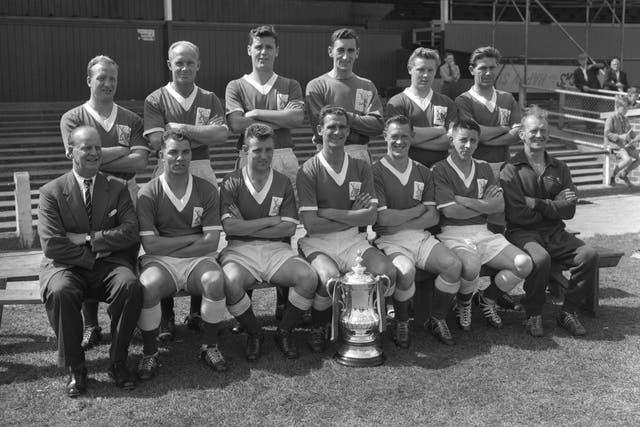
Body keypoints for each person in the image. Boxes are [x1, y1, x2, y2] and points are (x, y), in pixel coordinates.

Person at [135, 130, 261, 378]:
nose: (180, 158)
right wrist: (194, 238)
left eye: (185, 152)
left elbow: (211, 241)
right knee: (147, 286)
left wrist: (169, 241)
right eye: (173, 152)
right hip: (161, 262)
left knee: (214, 280)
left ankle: (210, 346)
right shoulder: (148, 192)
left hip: (197, 260)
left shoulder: (206, 188)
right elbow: (151, 247)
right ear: (161, 155)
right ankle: (150, 353)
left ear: (192, 154)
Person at [38, 126, 142, 397]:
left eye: (98, 147)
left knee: (130, 285)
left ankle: (118, 361)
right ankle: (77, 368)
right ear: (69, 151)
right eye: (86, 147)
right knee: (61, 291)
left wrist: (88, 239)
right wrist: (92, 251)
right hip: (67, 266)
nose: (94, 153)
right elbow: (52, 244)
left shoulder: (117, 188)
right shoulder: (51, 192)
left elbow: (131, 231)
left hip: (109, 265)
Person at [60, 55, 150, 352]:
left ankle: (121, 317)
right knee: (88, 254)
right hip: (87, 193)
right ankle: (90, 325)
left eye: (112, 78)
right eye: (101, 78)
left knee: (123, 252)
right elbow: (76, 157)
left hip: (124, 192)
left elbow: (139, 160)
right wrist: (118, 151)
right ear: (89, 80)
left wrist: (96, 155)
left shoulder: (131, 118)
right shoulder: (73, 118)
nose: (108, 83)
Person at [144, 41, 229, 339]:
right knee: (167, 229)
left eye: (190, 62)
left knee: (199, 230)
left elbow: (221, 133)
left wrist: (179, 128)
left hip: (202, 167)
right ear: (169, 64)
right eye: (179, 62)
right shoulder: (155, 98)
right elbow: (157, 142)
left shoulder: (209, 97)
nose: (184, 68)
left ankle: (196, 310)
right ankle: (166, 316)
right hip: (167, 168)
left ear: (198, 65)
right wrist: (196, 135)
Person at [297, 106, 396, 352]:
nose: (337, 131)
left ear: (349, 130)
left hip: (354, 240)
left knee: (386, 271)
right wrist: (353, 214)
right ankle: (319, 327)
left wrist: (329, 212)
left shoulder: (361, 166)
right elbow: (311, 224)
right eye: (331, 126)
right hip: (319, 241)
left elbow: (371, 215)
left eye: (342, 127)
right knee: (328, 279)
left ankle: (369, 323)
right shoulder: (308, 169)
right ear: (320, 130)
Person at [219, 124, 317, 359]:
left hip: (277, 249)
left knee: (309, 278)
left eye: (268, 150)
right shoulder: (231, 181)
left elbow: (290, 227)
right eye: (257, 150)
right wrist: (270, 221)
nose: (264, 156)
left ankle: (284, 331)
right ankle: (255, 332)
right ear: (245, 150)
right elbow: (230, 226)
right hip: (239, 250)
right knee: (230, 282)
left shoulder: (283, 182)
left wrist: (249, 226)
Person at [500, 106, 599, 337]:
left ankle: (569, 311)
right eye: (533, 130)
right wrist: (554, 204)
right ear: (522, 134)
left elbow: (569, 210)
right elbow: (516, 215)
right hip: (522, 233)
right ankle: (533, 314)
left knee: (589, 255)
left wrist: (537, 203)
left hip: (555, 232)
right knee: (540, 259)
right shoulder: (510, 170)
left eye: (543, 130)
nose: (539, 135)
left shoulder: (560, 168)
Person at [432, 118, 532, 331]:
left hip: (483, 231)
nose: (468, 146)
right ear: (451, 139)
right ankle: (465, 303)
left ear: (478, 143)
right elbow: (450, 211)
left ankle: (487, 299)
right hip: (452, 233)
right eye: (463, 140)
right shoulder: (439, 169)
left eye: (473, 141)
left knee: (524, 263)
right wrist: (484, 204)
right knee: (471, 266)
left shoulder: (484, 168)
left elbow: (498, 206)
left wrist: (464, 200)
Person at [372, 115, 463, 346]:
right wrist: (417, 210)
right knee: (406, 271)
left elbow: (432, 215)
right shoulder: (375, 171)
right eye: (394, 136)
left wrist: (401, 221)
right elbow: (382, 218)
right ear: (385, 137)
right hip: (389, 241)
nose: (400, 141)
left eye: (404, 136)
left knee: (453, 265)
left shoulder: (423, 171)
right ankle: (402, 321)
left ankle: (437, 318)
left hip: (420, 237)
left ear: (412, 137)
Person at [225, 25, 304, 194]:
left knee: (288, 215)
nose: (263, 52)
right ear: (249, 50)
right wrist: (282, 119)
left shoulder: (291, 85)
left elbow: (297, 119)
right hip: (250, 157)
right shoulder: (235, 86)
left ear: (276, 51)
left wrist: (256, 113)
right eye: (258, 47)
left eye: (269, 47)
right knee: (250, 212)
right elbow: (237, 124)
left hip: (284, 155)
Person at [305, 28, 384, 163]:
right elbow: (322, 127)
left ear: (357, 53)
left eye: (351, 50)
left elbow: (377, 126)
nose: (346, 56)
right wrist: (359, 125)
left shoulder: (367, 86)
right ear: (331, 51)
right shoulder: (316, 86)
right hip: (327, 155)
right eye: (341, 50)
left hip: (360, 156)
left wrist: (344, 116)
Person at [386, 47, 458, 168]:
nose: (426, 75)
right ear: (410, 69)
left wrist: (411, 139)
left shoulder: (447, 102)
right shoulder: (397, 102)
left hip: (439, 174)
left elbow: (452, 140)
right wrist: (440, 130)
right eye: (420, 70)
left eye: (430, 70)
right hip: (406, 173)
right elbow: (400, 138)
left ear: (436, 71)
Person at [605, 95, 639, 187]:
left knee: (639, 157)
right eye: (624, 108)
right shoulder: (611, 117)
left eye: (627, 108)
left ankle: (623, 174)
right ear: (617, 107)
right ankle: (613, 176)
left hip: (625, 145)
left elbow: (631, 132)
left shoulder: (625, 118)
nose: (627, 110)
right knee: (627, 160)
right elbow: (607, 134)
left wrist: (636, 138)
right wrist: (620, 137)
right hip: (615, 145)